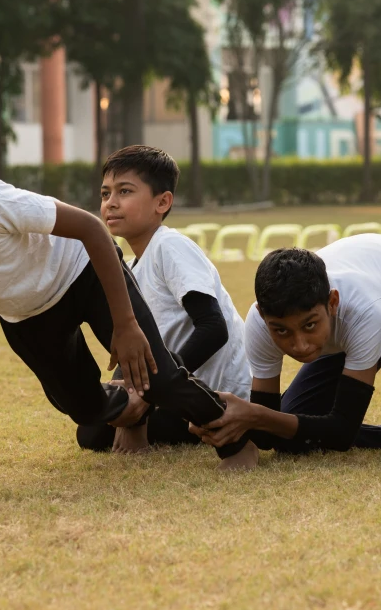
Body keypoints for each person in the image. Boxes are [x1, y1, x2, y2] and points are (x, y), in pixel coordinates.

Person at [0, 134, 254, 493]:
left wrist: (125, 325)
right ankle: (131, 410)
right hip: (27, 316)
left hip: (81, 272)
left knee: (157, 374)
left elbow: (92, 228)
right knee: (84, 408)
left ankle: (238, 443)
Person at [191, 235, 381, 464]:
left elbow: (341, 432)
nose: (299, 345)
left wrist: (255, 415)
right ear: (263, 316)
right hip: (348, 324)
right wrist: (228, 419)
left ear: (331, 303)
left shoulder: (360, 308)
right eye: (282, 331)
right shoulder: (259, 323)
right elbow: (268, 436)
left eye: (309, 325)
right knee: (293, 437)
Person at [76, 146, 256, 464]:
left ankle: (152, 418)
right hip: (171, 389)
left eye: (125, 191)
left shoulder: (169, 246)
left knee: (100, 429)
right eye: (105, 194)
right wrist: (127, 393)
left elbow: (214, 328)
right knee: (90, 429)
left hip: (214, 392)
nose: (110, 203)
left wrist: (145, 397)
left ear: (163, 202)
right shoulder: (130, 268)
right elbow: (133, 347)